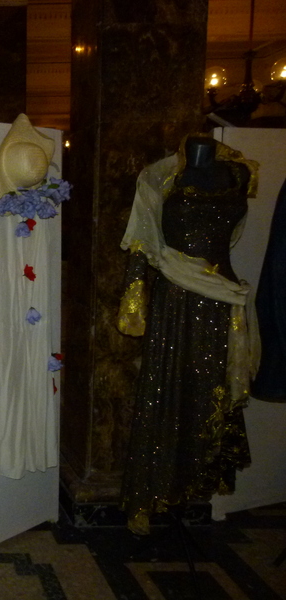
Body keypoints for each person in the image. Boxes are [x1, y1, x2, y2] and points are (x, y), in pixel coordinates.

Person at [118, 135, 258, 535]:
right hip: (176, 298)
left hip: (222, 298)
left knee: (209, 388)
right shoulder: (159, 178)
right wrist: (134, 303)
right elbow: (142, 243)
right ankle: (149, 494)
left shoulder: (239, 174)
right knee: (166, 388)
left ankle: (195, 481)